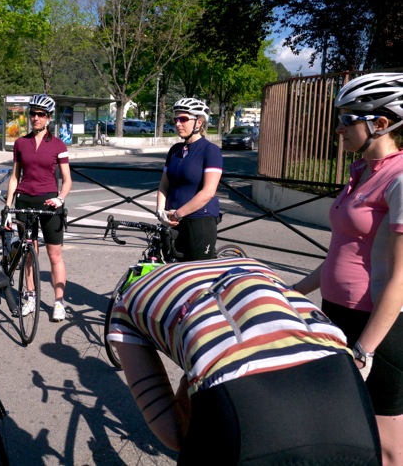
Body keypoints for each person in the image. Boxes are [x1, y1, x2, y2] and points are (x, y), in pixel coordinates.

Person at [107, 256, 381, 464]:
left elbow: (174, 434)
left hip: (242, 405)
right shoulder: (253, 265)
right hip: (341, 380)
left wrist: (192, 377)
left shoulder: (126, 304)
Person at [294, 72, 403, 465]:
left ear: (381, 123)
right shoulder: (360, 173)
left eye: (347, 118)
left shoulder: (400, 178)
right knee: (345, 424)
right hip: (336, 312)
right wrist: (291, 290)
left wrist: (364, 349)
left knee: (388, 445)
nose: (338, 129)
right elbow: (340, 255)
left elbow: (400, 279)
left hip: (376, 327)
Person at [4, 94, 72, 322]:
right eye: (32, 113)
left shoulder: (58, 145)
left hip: (49, 202)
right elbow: (15, 177)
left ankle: (59, 302)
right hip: (24, 202)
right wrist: (8, 207)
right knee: (29, 254)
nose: (35, 118)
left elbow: (67, 179)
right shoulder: (20, 143)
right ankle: (30, 297)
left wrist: (60, 199)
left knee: (55, 255)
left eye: (40, 114)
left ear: (49, 118)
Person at [155, 98, 223, 261]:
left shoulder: (210, 151)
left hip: (198, 220)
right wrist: (160, 211)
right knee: (172, 272)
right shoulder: (174, 150)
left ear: (198, 123)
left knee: (199, 275)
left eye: (183, 119)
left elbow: (208, 192)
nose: (178, 123)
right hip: (172, 221)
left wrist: (178, 214)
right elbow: (164, 184)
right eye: (176, 119)